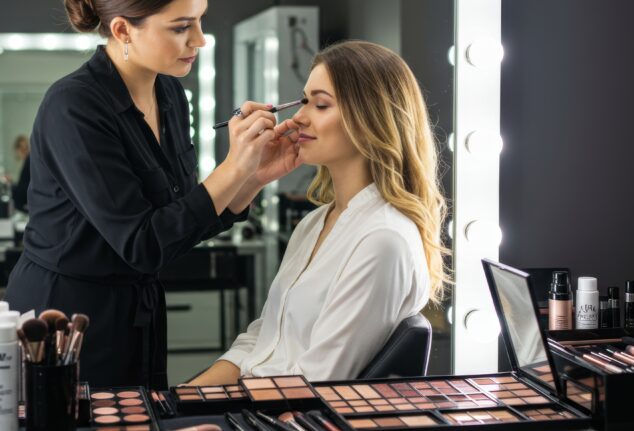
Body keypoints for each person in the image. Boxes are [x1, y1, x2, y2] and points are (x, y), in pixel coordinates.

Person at [4, 0, 299, 389]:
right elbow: (143, 242)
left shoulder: (171, 95)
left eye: (200, 20)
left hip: (137, 312)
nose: (199, 39)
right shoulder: (73, 107)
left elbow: (178, 224)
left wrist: (252, 178)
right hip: (65, 318)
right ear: (123, 29)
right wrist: (231, 168)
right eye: (181, 26)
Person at [189, 41, 449, 384]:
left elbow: (317, 385)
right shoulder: (314, 222)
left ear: (371, 119)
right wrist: (183, 397)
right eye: (304, 101)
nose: (298, 117)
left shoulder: (382, 241)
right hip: (257, 399)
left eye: (321, 104)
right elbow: (263, 340)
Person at [10, 134, 31, 213]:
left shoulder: (29, 162)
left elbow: (25, 187)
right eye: (22, 148)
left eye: (26, 147)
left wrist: (12, 185)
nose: (24, 150)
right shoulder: (27, 162)